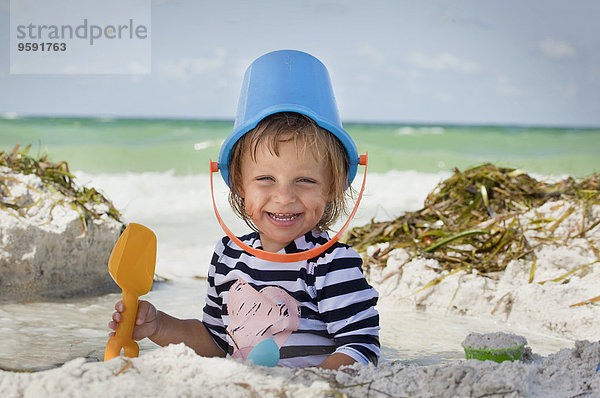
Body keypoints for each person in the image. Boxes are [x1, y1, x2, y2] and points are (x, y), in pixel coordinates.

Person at [109, 50, 380, 369]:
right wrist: (160, 326)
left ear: (333, 186)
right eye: (265, 178)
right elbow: (216, 341)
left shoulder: (331, 264)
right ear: (238, 182)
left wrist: (309, 385)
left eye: (304, 180)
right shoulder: (228, 257)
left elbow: (361, 347)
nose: (284, 197)